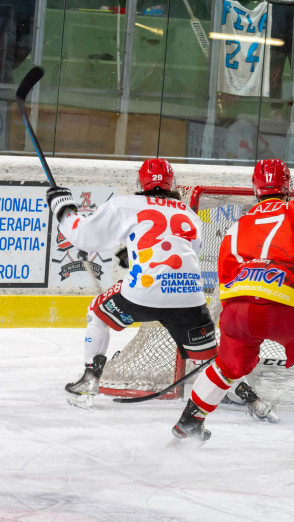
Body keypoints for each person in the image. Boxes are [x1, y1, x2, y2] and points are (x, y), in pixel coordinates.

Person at [170, 158, 294, 451]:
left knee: (227, 366)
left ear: (255, 189)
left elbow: (226, 279)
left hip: (239, 307)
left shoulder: (238, 224)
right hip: (289, 307)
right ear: (288, 186)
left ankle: (190, 421)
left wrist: (240, 316)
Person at [47, 159, 220, 409]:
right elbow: (186, 255)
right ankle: (248, 395)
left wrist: (64, 209)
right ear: (173, 183)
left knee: (97, 313)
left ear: (140, 182)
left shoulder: (124, 204)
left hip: (142, 295)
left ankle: (89, 379)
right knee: (211, 359)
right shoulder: (190, 214)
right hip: (190, 298)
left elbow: (83, 237)